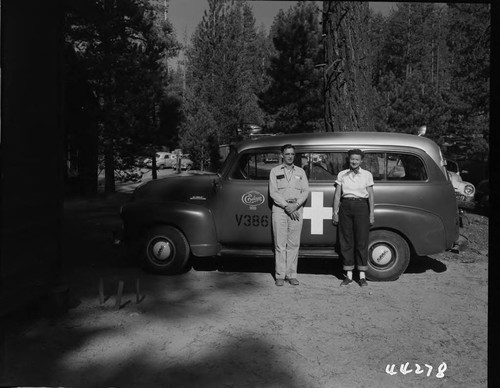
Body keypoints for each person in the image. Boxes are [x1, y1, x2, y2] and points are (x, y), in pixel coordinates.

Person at [332, 149, 375, 287]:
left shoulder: (367, 175)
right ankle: (348, 275)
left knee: (361, 240)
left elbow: (371, 196)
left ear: (361, 161)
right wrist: (335, 212)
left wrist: (371, 214)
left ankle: (362, 276)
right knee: (346, 240)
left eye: (357, 159)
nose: (354, 161)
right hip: (345, 206)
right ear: (348, 160)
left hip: (361, 206)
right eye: (352, 159)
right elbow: (338, 195)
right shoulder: (342, 174)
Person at [269, 144, 309, 286]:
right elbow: (273, 192)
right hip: (280, 209)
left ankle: (291, 274)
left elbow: (305, 191)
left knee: (293, 243)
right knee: (280, 244)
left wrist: (295, 205)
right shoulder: (274, 171)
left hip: (296, 209)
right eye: (287, 154)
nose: (290, 156)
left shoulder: (301, 172)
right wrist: (286, 206)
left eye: (292, 154)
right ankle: (280, 275)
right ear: (282, 155)